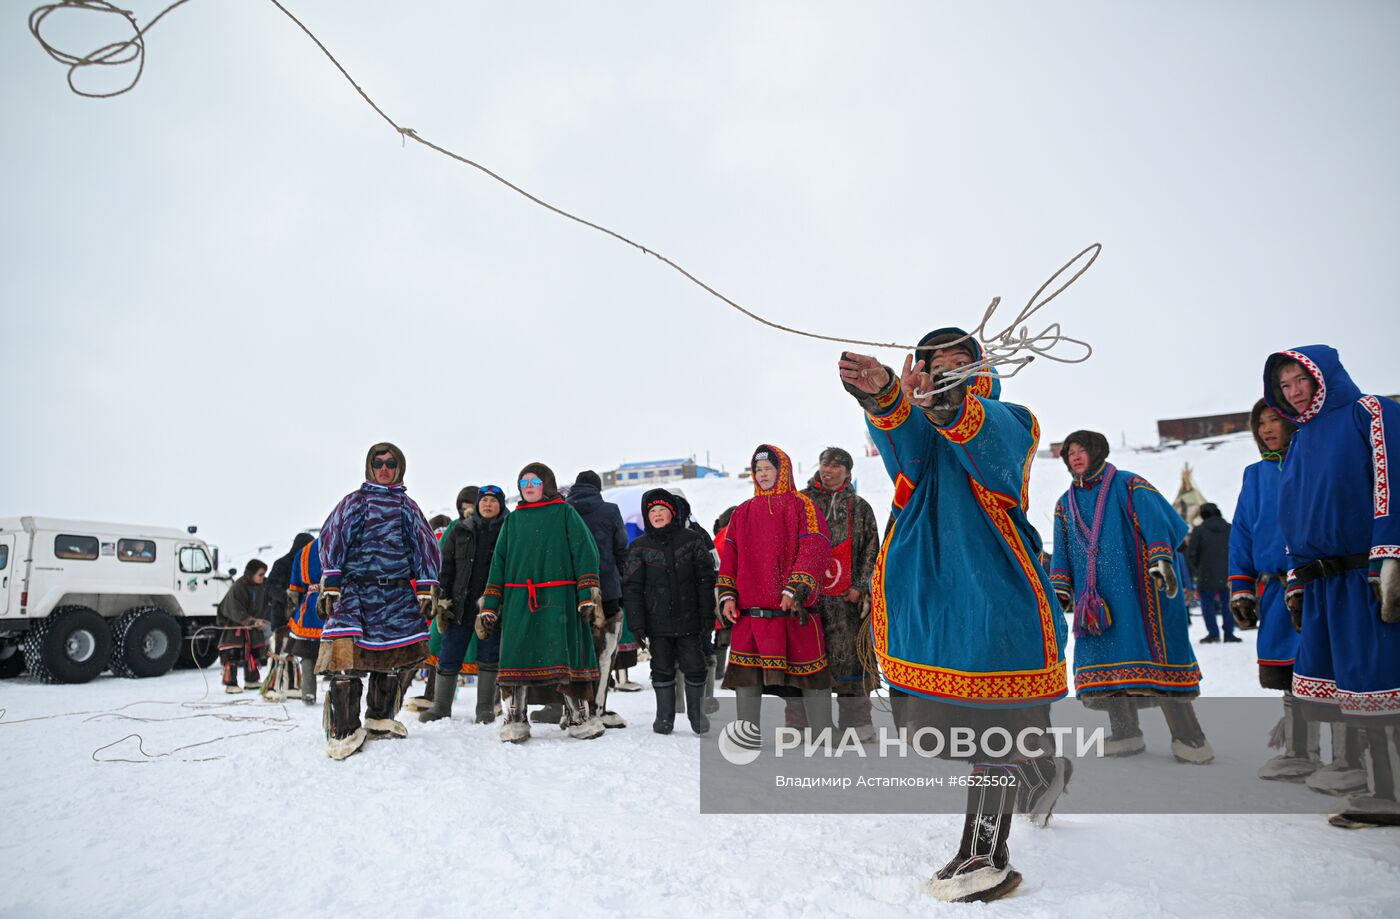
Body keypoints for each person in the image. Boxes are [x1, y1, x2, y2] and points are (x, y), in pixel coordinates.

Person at [840, 332, 1070, 903]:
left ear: (983, 370)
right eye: (933, 366)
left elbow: (986, 440)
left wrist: (946, 401)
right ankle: (1045, 773)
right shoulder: (923, 436)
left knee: (995, 732)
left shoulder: (1010, 419)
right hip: (933, 603)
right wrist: (885, 395)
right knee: (949, 729)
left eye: (958, 365)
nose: (943, 373)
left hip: (998, 596)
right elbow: (905, 443)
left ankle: (986, 855)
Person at [1264, 345, 1400, 827]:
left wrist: (1391, 560)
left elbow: (1392, 483)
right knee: (1357, 692)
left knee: (1381, 682)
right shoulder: (1302, 439)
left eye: (1300, 380)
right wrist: (1297, 577)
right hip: (1325, 583)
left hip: (1365, 575)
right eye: (1284, 385)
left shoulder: (1371, 412)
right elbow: (1293, 514)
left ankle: (1392, 794)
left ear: (1323, 376)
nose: (1293, 392)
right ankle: (1381, 788)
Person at [1050, 430, 1213, 764]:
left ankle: (1189, 736)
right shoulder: (1065, 504)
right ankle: (1125, 732)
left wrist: (1160, 559)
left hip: (1141, 590)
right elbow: (1062, 552)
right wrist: (1060, 588)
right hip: (1095, 602)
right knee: (1107, 662)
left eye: (1082, 450)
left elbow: (1158, 523)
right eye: (1070, 452)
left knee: (1157, 655)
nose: (1076, 457)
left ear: (1097, 452)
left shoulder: (1128, 484)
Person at [315, 442, 441, 760]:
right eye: (378, 463)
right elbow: (333, 536)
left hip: (396, 593)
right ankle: (343, 730)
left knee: (390, 659)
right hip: (355, 591)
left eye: (391, 464)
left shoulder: (407, 506)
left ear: (400, 468)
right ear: (369, 467)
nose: (384, 469)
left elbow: (425, 546)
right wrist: (331, 582)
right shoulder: (354, 502)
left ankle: (380, 719)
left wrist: (427, 587)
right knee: (346, 659)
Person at [477, 463, 604, 743]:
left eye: (535, 481)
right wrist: (490, 603)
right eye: (523, 483)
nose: (529, 486)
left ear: (547, 484)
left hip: (560, 598)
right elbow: (498, 564)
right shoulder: (513, 520)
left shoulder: (565, 513)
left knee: (566, 656)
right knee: (516, 656)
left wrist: (587, 594)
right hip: (519, 600)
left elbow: (585, 552)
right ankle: (515, 718)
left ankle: (578, 716)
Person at [1229, 399, 1320, 781]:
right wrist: (1242, 587)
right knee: (1290, 674)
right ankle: (1301, 753)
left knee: (1327, 672)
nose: (1267, 429)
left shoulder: (1312, 465)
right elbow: (1242, 534)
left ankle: (1352, 758)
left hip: (1316, 586)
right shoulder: (1255, 475)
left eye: (1274, 420)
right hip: (1275, 593)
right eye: (1260, 423)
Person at [717, 445, 833, 737]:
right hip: (750, 616)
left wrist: (796, 587)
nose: (763, 474)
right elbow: (729, 558)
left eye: (769, 469)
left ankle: (823, 733)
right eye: (758, 470)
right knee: (747, 680)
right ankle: (747, 734)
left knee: (811, 677)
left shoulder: (802, 505)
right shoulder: (742, 513)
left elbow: (815, 546)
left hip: (792, 611)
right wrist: (727, 596)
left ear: (782, 471)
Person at [800, 445, 881, 741]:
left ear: (847, 471)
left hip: (847, 602)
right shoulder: (802, 503)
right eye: (824, 463)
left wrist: (861, 586)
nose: (828, 469)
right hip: (808, 601)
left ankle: (857, 725)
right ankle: (802, 725)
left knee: (852, 662)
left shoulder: (859, 507)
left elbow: (872, 549)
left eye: (836, 465)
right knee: (806, 662)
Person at [623, 488, 718, 734]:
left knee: (695, 665)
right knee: (661, 667)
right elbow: (632, 588)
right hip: (657, 622)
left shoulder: (691, 539)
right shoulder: (639, 547)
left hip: (690, 620)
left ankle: (697, 716)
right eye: (652, 511)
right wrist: (636, 623)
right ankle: (664, 717)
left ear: (672, 512)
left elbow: (705, 579)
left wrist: (708, 612)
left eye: (662, 509)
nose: (657, 514)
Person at [420, 484, 509, 724]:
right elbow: (445, 566)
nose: (488, 504)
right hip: (460, 603)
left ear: (501, 505)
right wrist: (443, 599)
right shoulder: (460, 529)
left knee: (489, 657)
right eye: (484, 500)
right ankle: (440, 707)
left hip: (492, 605)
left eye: (493, 500)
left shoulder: (509, 530)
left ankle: (485, 710)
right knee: (449, 653)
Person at [567, 470, 630, 729]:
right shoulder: (610, 510)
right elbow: (621, 549)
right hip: (607, 590)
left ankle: (571, 710)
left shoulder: (563, 510)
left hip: (571, 591)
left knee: (573, 650)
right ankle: (598, 707)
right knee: (604, 652)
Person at [1187, 504, 1239, 643]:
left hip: (1206, 575)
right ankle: (1229, 633)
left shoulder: (1199, 531)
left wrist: (1198, 569)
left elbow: (1191, 554)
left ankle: (1213, 633)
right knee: (1228, 604)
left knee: (1207, 606)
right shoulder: (1230, 528)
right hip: (1228, 575)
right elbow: (1237, 550)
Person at [217, 559, 269, 694]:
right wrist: (250, 621)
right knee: (232, 653)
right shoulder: (238, 586)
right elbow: (234, 608)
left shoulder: (262, 586)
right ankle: (231, 682)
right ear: (251, 574)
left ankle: (251, 680)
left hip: (252, 626)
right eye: (261, 574)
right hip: (235, 625)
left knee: (253, 652)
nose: (263, 577)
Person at [286, 536, 324, 705]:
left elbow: (295, 589)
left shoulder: (303, 552)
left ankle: (308, 692)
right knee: (339, 648)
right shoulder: (338, 545)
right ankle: (341, 693)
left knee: (308, 653)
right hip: (334, 604)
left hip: (309, 609)